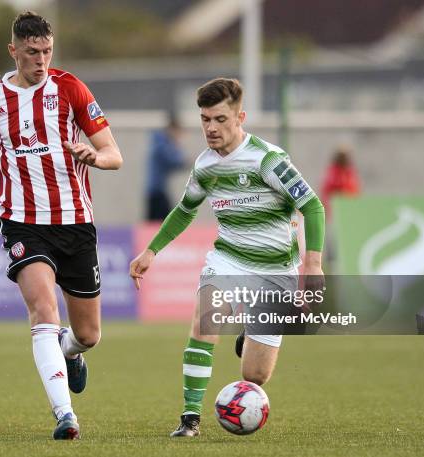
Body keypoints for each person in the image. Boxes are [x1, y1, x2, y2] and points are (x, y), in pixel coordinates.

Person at [0, 11, 122, 440]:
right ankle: (66, 415)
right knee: (42, 311)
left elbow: (114, 154)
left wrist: (93, 157)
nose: (41, 60)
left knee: (88, 334)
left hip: (75, 222)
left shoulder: (71, 89)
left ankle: (71, 351)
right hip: (21, 222)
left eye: (47, 51)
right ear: (13, 51)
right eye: (32, 52)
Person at [129, 78, 325, 437]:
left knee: (255, 376)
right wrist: (151, 250)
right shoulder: (205, 165)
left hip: (276, 270)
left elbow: (312, 206)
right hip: (228, 261)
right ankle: (190, 419)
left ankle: (249, 333)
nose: (211, 128)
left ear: (240, 117)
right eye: (205, 119)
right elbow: (186, 210)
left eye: (220, 119)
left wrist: (312, 264)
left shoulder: (268, 160)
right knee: (204, 326)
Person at [145, 113, 186, 220]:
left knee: (156, 222)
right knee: (165, 220)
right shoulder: (162, 145)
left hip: (157, 190)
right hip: (157, 191)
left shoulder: (160, 143)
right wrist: (176, 145)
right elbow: (174, 161)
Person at [321, 144, 360, 217]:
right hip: (334, 207)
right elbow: (328, 189)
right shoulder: (333, 171)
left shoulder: (350, 172)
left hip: (348, 206)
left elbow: (354, 190)